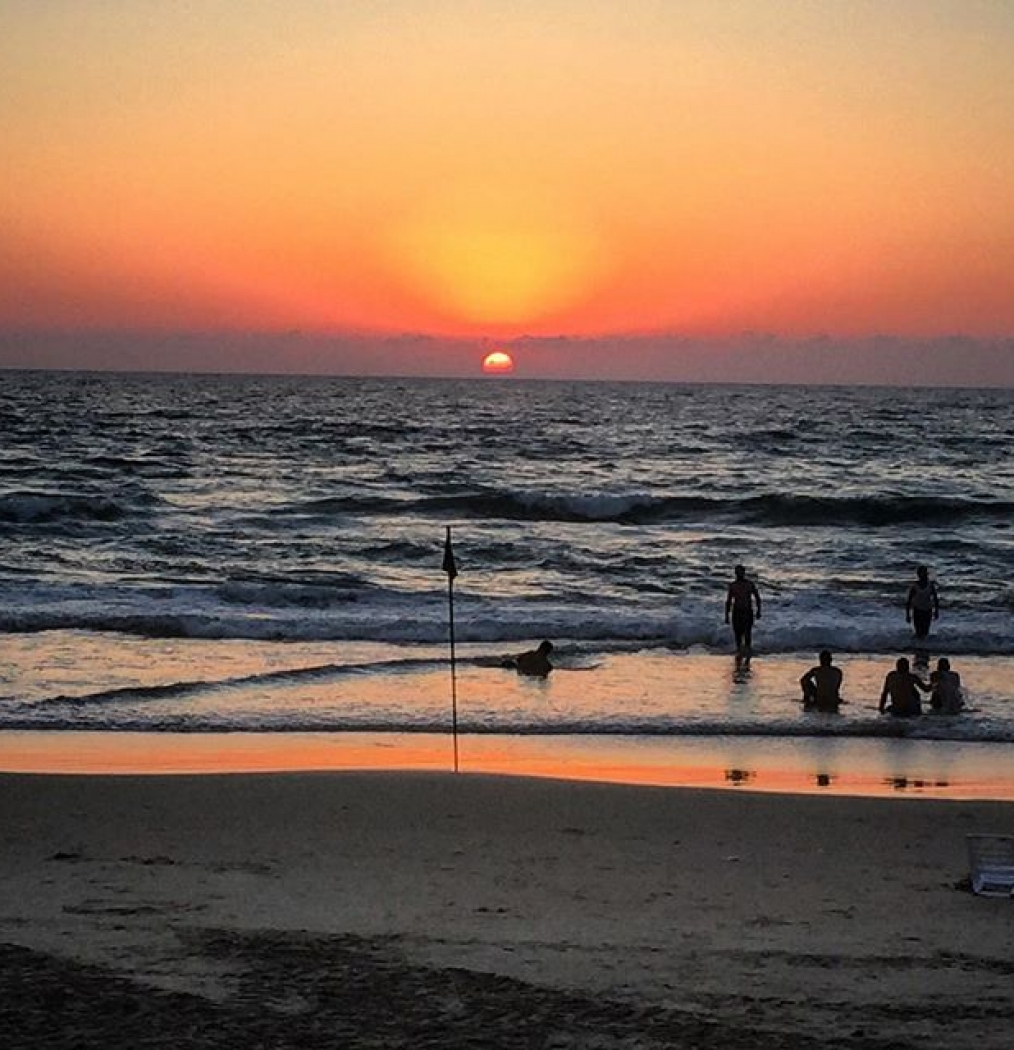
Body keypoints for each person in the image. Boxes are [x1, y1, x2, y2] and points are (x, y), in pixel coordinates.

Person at [725, 565, 761, 656]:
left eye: (740, 572)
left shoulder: (749, 584)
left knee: (747, 633)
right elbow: (728, 601)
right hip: (736, 612)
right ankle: (739, 652)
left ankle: (747, 654)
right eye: (737, 572)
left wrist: (758, 611)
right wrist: (726, 615)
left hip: (747, 611)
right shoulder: (733, 585)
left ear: (744, 573)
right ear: (735, 573)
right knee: (737, 635)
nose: (739, 574)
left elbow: (757, 597)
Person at [906, 565, 939, 640]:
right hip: (917, 610)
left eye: (924, 574)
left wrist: (936, 611)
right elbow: (909, 601)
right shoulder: (914, 586)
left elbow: (935, 599)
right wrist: (908, 615)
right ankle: (918, 647)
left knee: (925, 632)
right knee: (918, 632)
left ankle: (923, 647)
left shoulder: (930, 585)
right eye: (921, 574)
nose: (923, 575)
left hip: (927, 610)